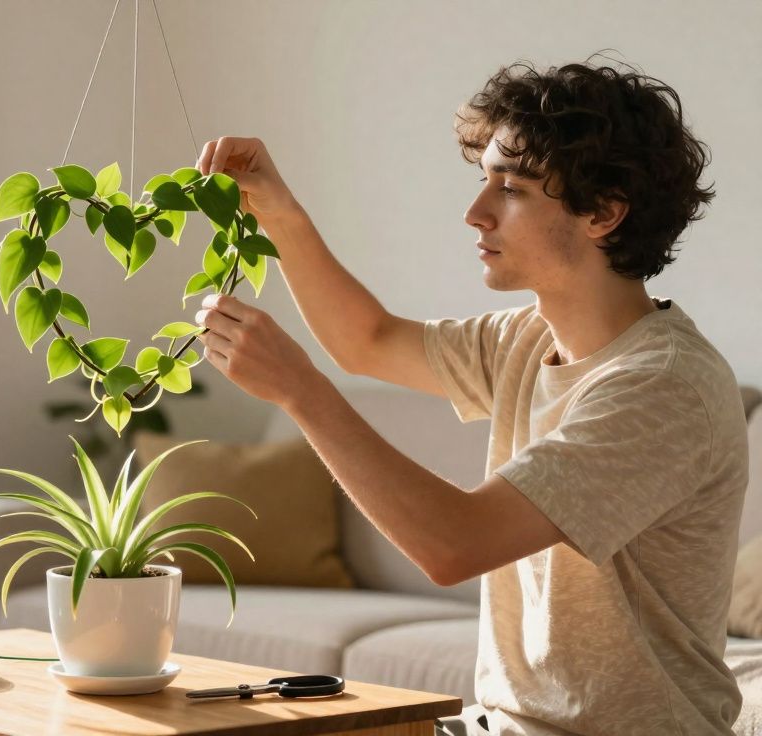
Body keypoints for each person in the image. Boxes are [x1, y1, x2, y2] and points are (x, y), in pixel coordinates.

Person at [191, 58, 748, 735]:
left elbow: (453, 543)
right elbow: (367, 340)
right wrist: (279, 213)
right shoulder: (526, 338)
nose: (475, 213)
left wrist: (301, 391)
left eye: (510, 188)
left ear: (603, 213)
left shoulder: (663, 386)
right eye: (483, 180)